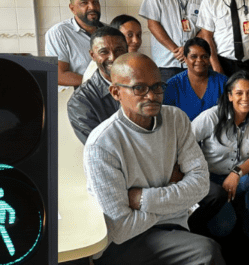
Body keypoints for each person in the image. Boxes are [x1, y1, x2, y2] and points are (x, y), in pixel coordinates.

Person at [83, 53, 225, 264]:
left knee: (217, 210)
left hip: (165, 222)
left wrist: (141, 199)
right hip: (127, 241)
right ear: (116, 92)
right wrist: (178, 200)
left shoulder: (176, 119)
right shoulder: (102, 144)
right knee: (206, 252)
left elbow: (201, 184)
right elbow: (121, 228)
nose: (152, 96)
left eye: (157, 86)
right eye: (139, 88)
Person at [192, 71, 249, 251]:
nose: (246, 98)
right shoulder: (211, 116)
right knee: (223, 228)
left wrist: (236, 173)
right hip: (212, 179)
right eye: (239, 93)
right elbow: (183, 143)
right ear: (229, 96)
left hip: (239, 176)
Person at [67, 26, 128, 144]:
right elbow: (100, 146)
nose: (113, 58)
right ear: (93, 55)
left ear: (127, 51)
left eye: (119, 50)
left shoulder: (145, 85)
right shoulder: (80, 101)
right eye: (104, 52)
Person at [45, 0, 103, 86]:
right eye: (84, 3)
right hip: (77, 97)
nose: (92, 7)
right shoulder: (59, 33)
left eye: (95, 2)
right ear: (72, 9)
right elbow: (58, 75)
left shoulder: (109, 31)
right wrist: (98, 84)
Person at [163, 38, 228, 121]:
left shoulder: (223, 82)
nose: (199, 60)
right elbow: (167, 119)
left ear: (209, 59)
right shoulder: (173, 85)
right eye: (194, 56)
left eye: (204, 56)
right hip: (183, 133)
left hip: (217, 133)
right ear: (185, 59)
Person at [81, 14, 143, 83]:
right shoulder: (100, 68)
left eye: (139, 35)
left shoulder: (134, 60)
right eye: (129, 35)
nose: (136, 41)